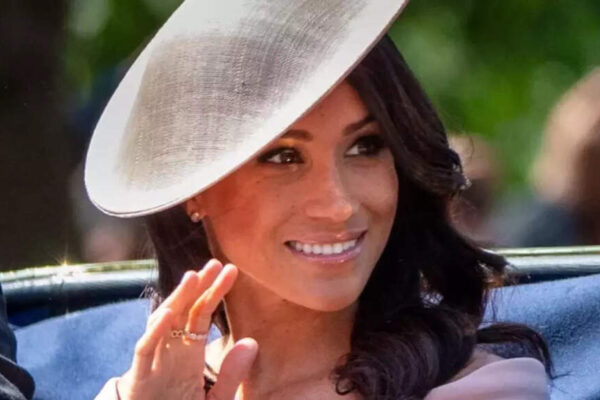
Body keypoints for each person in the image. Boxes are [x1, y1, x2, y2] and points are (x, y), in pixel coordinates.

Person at [85, 0, 552, 398]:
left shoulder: (485, 388)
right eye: (283, 157)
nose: (339, 204)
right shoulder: (137, 393)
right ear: (192, 188)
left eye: (365, 146)